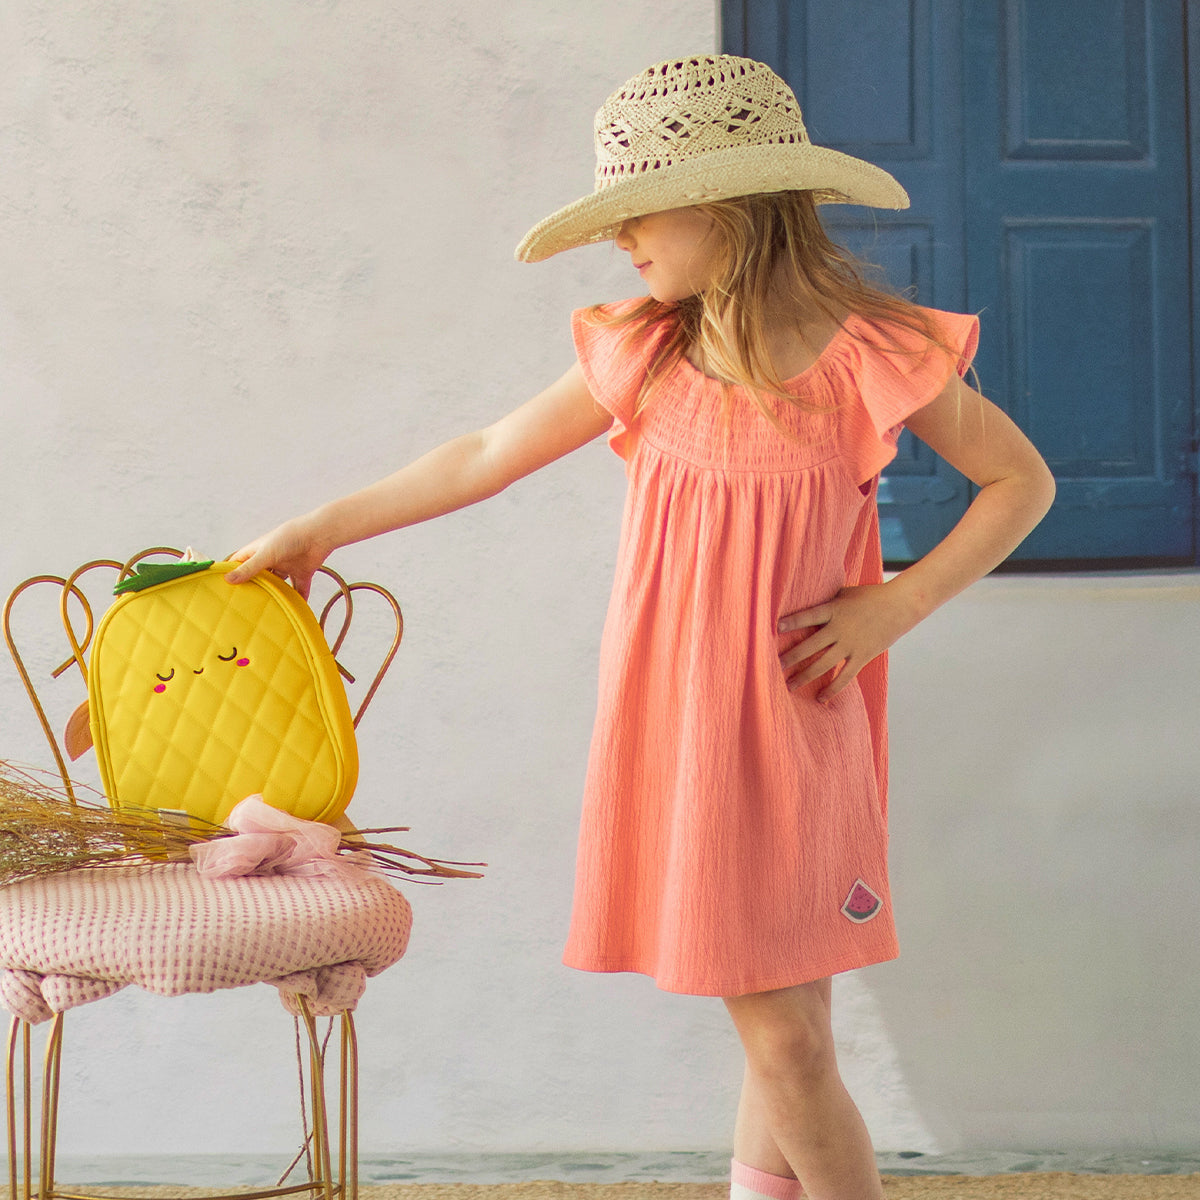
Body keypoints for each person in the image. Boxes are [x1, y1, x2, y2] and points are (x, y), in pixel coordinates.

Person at [227, 54, 1055, 1200]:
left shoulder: (871, 354)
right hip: (684, 733)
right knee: (785, 1034)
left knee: (792, 1037)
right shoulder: (648, 352)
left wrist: (897, 604)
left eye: (640, 213)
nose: (621, 240)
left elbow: (1021, 482)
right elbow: (480, 455)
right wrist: (322, 525)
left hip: (800, 732)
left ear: (725, 210)